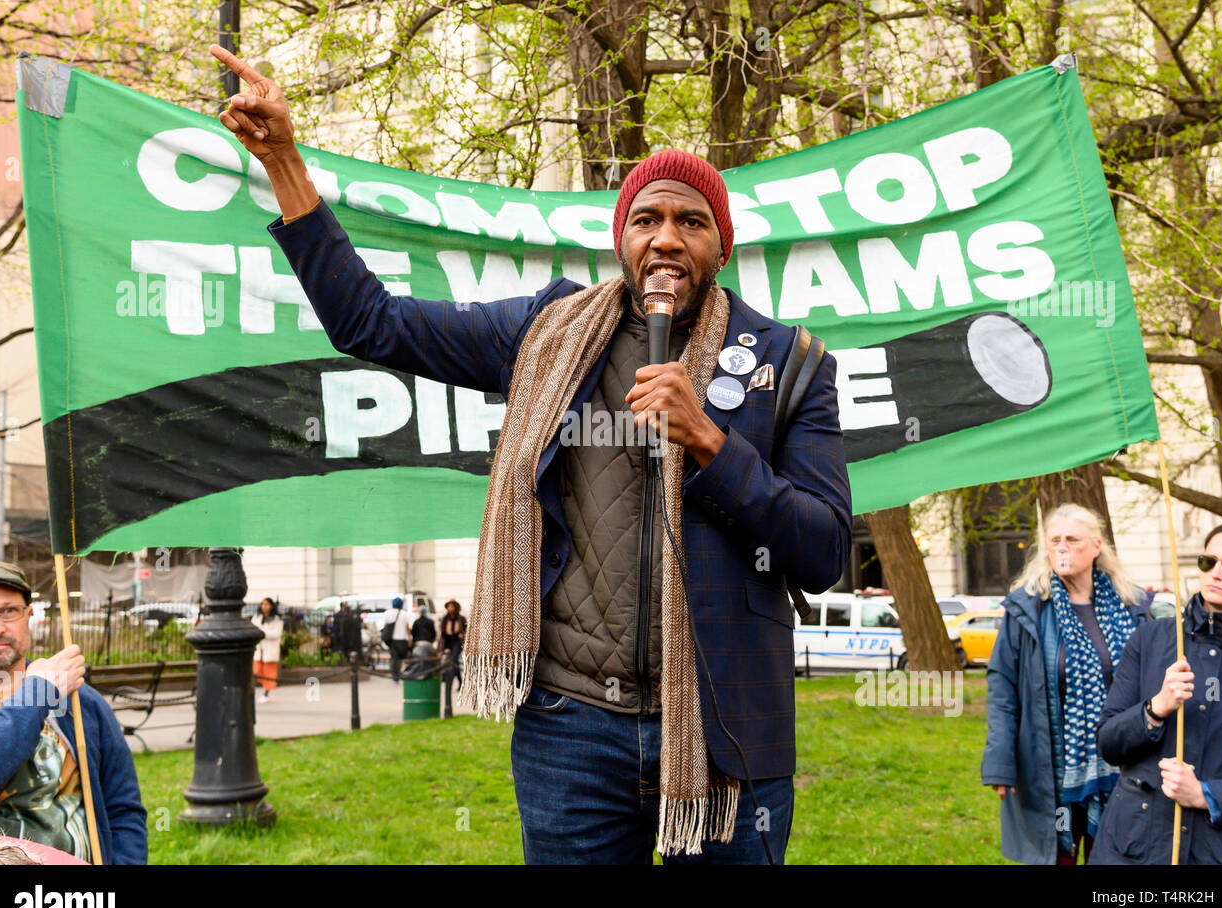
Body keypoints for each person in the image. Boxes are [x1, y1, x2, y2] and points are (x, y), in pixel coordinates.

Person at [212, 46, 851, 864]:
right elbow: (369, 321)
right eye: (646, 219)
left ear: (720, 245)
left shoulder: (791, 363)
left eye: (691, 221)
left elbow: (825, 549)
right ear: (622, 237)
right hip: (572, 730)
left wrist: (713, 444)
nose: (665, 239)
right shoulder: (547, 335)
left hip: (729, 729)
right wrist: (284, 162)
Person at [982, 504, 1150, 864]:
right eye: (1054, 540)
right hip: (1050, 768)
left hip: (1124, 767)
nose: (1062, 547)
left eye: (1072, 540)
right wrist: (1000, 762)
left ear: (1096, 546)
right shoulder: (1028, 609)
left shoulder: (1131, 607)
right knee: (1058, 856)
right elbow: (1003, 689)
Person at [1091, 521, 1222, 865]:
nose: (1216, 573)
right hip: (1134, 848)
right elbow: (1108, 743)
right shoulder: (1151, 640)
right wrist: (1155, 709)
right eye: (1207, 562)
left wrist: (1207, 795)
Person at [0, 560, 147, 864]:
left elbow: (123, 808)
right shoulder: (44, 690)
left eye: (8, 611)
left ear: (29, 615)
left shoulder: (80, 701)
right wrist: (38, 692)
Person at [251, 597, 283, 702]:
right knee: (256, 671)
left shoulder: (277, 619)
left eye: (266, 604)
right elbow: (253, 629)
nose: (264, 607)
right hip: (259, 649)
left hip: (270, 649)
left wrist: (262, 632)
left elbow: (276, 634)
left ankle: (266, 693)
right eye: (262, 604)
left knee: (269, 673)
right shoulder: (257, 617)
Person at [437, 600, 466, 696]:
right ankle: (460, 681)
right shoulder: (445, 619)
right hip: (448, 641)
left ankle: (450, 681)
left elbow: (466, 630)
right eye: (448, 606)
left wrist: (463, 635)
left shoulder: (461, 618)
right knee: (454, 662)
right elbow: (442, 633)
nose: (450, 608)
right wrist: (440, 648)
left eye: (452, 606)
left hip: (457, 641)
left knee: (453, 659)